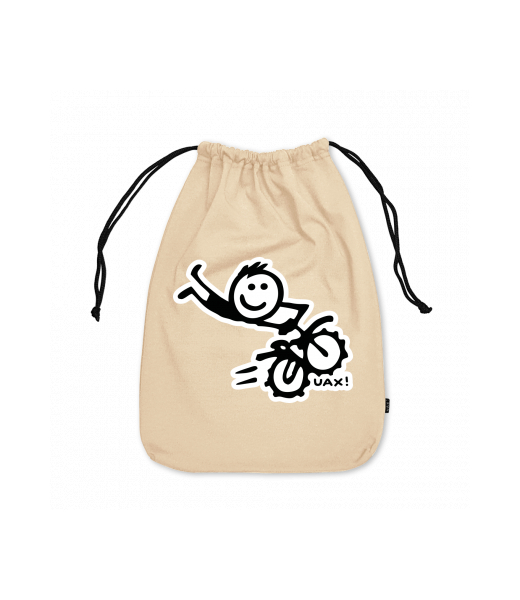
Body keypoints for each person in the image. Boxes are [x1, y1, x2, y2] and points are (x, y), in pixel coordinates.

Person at [174, 259, 311, 335]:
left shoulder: (275, 304)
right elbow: (302, 308)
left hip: (241, 315)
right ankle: (195, 282)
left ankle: (194, 285)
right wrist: (290, 324)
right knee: (215, 303)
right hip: (239, 312)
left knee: (215, 303)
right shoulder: (275, 306)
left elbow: (303, 307)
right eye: (251, 287)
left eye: (264, 287)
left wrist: (290, 323)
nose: (257, 293)